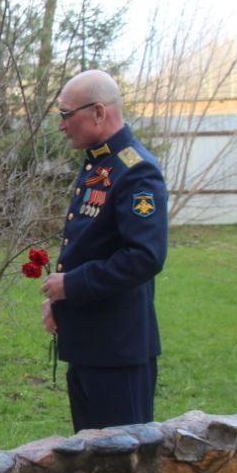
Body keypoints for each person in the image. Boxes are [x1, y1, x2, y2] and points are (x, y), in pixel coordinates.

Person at [40, 70, 168, 433]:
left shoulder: (137, 172)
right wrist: (60, 300)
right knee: (92, 463)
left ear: (98, 112)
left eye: (67, 114)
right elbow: (90, 244)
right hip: (90, 345)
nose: (62, 125)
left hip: (118, 352)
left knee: (122, 469)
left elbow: (145, 256)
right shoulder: (101, 162)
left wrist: (71, 286)